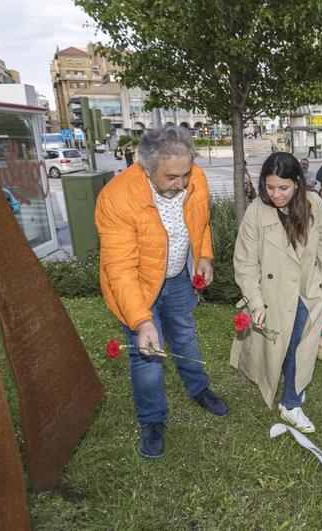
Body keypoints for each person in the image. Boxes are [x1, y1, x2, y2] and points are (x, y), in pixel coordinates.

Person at [94, 126, 228, 460]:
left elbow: (201, 222)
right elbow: (120, 269)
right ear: (145, 167)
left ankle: (198, 388)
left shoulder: (194, 176)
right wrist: (141, 321)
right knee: (148, 355)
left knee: (185, 336)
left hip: (180, 278)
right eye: (171, 177)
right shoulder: (116, 197)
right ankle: (152, 419)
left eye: (185, 174)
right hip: (138, 286)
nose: (181, 184)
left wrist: (204, 257)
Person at [231, 152, 322, 433]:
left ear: (298, 183)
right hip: (274, 292)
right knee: (290, 344)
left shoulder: (313, 203)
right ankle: (292, 398)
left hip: (307, 288)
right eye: (269, 186)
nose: (275, 194)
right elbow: (244, 261)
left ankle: (291, 399)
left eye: (283, 188)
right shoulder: (256, 211)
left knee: (301, 345)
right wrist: (256, 301)